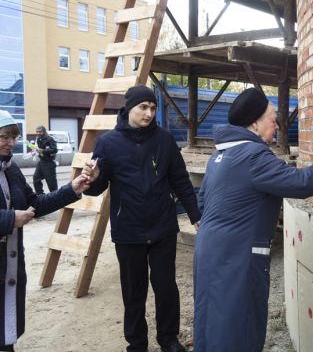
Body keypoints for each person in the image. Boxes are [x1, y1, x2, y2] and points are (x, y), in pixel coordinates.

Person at [193, 87, 313, 352]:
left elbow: (202, 202)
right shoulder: (253, 156)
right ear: (254, 123)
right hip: (238, 257)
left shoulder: (220, 156)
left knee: (212, 320)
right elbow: (301, 183)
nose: (277, 124)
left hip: (209, 251)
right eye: (273, 118)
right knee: (239, 327)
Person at [81, 85, 200, 352]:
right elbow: (95, 188)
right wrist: (92, 177)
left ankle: (169, 339)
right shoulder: (108, 142)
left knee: (166, 286)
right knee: (134, 291)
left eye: (153, 107)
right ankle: (136, 344)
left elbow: (180, 180)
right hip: (129, 230)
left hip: (162, 227)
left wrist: (195, 214)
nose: (149, 113)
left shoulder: (165, 141)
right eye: (143, 108)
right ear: (129, 109)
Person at [0, 110, 91, 350]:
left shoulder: (11, 169)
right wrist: (8, 219)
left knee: (5, 337)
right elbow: (12, 216)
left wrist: (72, 189)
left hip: (9, 269)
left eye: (14, 136)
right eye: (4, 136)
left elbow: (36, 204)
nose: (11, 142)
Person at [32, 125, 58, 194]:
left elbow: (54, 149)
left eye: (40, 132)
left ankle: (56, 200)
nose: (38, 133)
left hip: (49, 163)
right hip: (41, 162)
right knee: (36, 179)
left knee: (52, 184)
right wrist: (34, 152)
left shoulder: (50, 139)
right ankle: (40, 196)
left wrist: (43, 151)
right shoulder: (38, 139)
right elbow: (38, 149)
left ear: (44, 131)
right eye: (37, 132)